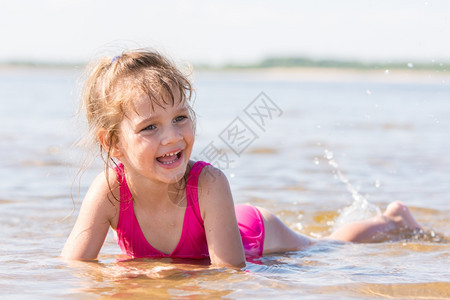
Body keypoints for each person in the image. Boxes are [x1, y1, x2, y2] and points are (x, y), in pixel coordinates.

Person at [61, 49, 422, 268]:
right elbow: (75, 266)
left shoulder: (208, 184)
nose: (172, 136)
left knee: (329, 249)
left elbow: (228, 273)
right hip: (216, 229)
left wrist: (158, 273)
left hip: (252, 233)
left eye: (180, 118)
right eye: (149, 127)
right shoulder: (109, 190)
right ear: (112, 144)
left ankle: (391, 220)